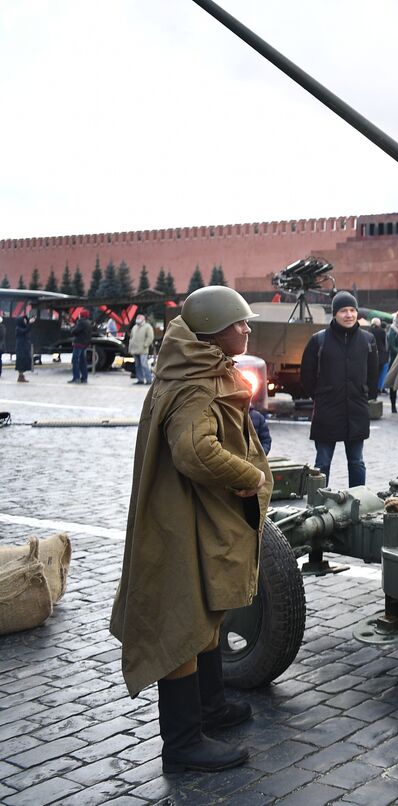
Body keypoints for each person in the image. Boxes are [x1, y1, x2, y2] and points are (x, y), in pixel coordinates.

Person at [109, 285, 270, 774]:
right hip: (183, 517)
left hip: (196, 511)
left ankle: (210, 708)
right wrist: (249, 476)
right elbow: (194, 451)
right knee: (183, 614)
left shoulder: (197, 368)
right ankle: (182, 742)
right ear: (212, 331)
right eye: (238, 323)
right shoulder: (197, 383)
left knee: (206, 609)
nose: (246, 329)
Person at [300, 291, 378, 487]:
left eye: (352, 310)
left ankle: (358, 502)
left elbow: (373, 374)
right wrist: (320, 394)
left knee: (357, 462)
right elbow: (307, 375)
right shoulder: (319, 340)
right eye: (344, 310)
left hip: (356, 410)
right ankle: (317, 505)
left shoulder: (368, 340)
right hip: (328, 410)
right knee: (322, 463)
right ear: (335, 313)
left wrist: (364, 393)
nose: (349, 315)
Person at [129, 313, 156, 385]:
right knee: (137, 365)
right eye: (137, 318)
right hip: (135, 349)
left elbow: (150, 337)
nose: (138, 319)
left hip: (143, 350)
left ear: (143, 319)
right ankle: (140, 379)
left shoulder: (147, 327)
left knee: (144, 365)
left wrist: (145, 345)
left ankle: (149, 380)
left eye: (139, 318)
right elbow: (131, 338)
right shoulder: (134, 327)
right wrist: (130, 348)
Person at [68, 310, 92, 384]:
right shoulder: (88, 323)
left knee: (75, 360)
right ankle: (84, 378)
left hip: (78, 344)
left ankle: (76, 378)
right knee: (83, 361)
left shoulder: (81, 322)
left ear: (81, 315)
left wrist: (72, 327)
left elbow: (74, 332)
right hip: (85, 344)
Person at [369, 318, 389, 396]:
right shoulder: (382, 331)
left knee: (374, 373)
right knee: (381, 373)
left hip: (372, 355)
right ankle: (379, 388)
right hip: (382, 355)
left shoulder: (368, 331)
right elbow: (386, 344)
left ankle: (373, 389)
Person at [14, 314, 32, 383]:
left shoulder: (23, 327)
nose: (25, 321)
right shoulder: (18, 328)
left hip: (24, 348)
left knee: (25, 362)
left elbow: (27, 330)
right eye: (24, 320)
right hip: (20, 348)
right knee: (21, 362)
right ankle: (20, 376)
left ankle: (21, 376)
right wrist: (30, 324)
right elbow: (25, 331)